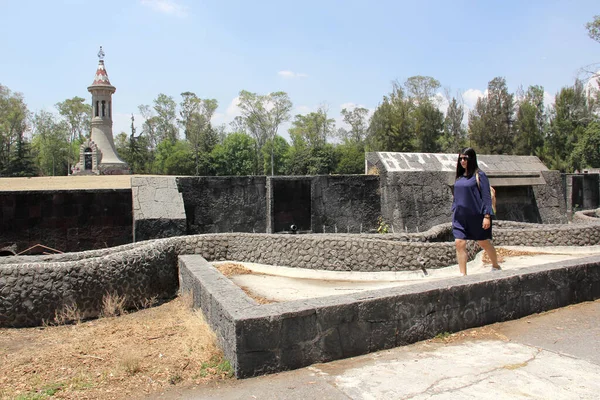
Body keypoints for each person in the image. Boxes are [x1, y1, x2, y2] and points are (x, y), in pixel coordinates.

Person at [451, 148, 501, 275]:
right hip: (460, 217)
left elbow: (486, 197)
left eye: (465, 158)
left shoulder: (480, 175)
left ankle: (495, 265)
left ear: (471, 159)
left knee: (483, 242)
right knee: (459, 243)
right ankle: (463, 275)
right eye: (460, 158)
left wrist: (487, 216)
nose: (462, 161)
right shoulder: (460, 177)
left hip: (477, 216)